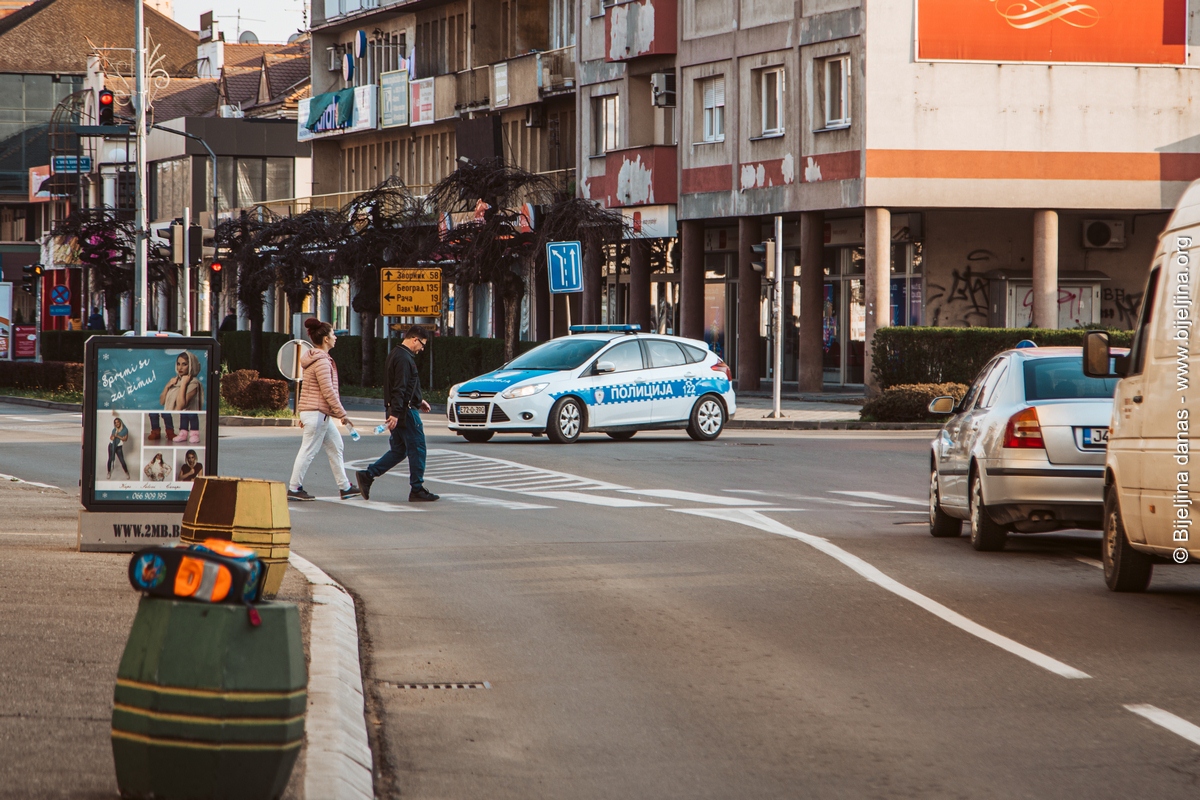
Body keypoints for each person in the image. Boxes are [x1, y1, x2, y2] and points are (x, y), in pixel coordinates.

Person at [356, 325, 438, 503]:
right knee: (418, 449)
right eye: (422, 344)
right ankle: (417, 489)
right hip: (405, 412)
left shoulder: (397, 354)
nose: (422, 349)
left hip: (402, 408)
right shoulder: (403, 358)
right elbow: (399, 387)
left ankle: (368, 475)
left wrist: (418, 400)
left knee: (400, 450)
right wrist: (396, 413)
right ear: (415, 339)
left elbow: (404, 385)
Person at [287, 318, 359, 501]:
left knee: (336, 446)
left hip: (318, 413)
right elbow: (328, 391)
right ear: (326, 339)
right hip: (317, 413)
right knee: (308, 450)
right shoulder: (322, 362)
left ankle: (345, 487)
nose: (336, 337)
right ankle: (294, 488)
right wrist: (343, 415)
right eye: (333, 334)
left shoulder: (316, 358)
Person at [160, 351, 202, 444]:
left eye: (184, 364)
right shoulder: (175, 381)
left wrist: (183, 383)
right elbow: (162, 401)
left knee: (190, 415)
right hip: (183, 412)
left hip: (189, 411)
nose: (180, 367)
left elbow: (180, 406)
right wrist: (167, 386)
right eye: (178, 364)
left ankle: (194, 434)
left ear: (191, 365)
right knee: (183, 415)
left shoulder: (193, 383)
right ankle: (183, 433)